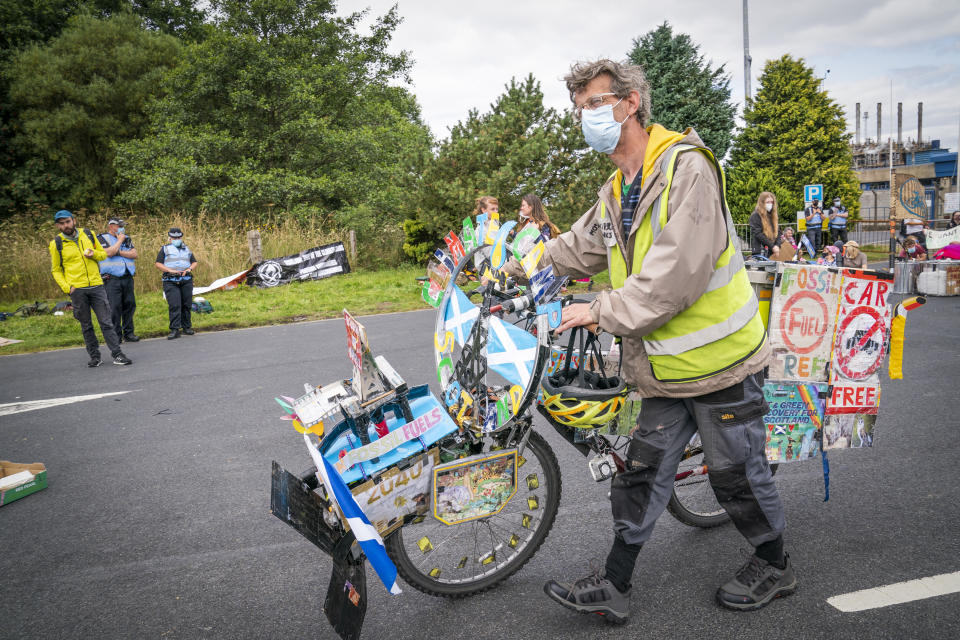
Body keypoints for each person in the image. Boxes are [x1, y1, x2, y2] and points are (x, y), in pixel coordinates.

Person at [536, 59, 790, 622]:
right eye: (580, 110)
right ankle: (615, 585)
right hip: (665, 369)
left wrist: (598, 310)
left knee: (736, 477)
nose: (587, 118)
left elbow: (674, 277)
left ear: (630, 104)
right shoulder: (616, 189)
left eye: (596, 105)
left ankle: (775, 564)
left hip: (721, 362)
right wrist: (519, 265)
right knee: (642, 473)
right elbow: (578, 247)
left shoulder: (686, 169)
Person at [49, 210, 133, 367]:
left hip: (96, 285)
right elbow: (56, 270)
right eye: (61, 223)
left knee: (106, 322)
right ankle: (95, 357)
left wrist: (93, 253)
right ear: (57, 225)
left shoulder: (88, 234)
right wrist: (68, 287)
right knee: (86, 325)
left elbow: (102, 255)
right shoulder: (56, 244)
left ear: (74, 220)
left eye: (67, 221)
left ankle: (117, 354)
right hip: (77, 289)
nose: (65, 225)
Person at [97, 217, 139, 343]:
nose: (122, 228)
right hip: (111, 279)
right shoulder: (101, 238)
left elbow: (134, 254)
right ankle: (116, 336)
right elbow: (109, 253)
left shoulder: (127, 238)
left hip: (127, 276)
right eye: (119, 226)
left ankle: (129, 333)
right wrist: (119, 241)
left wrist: (118, 251)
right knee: (114, 307)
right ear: (111, 226)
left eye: (123, 225)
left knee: (130, 305)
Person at [155, 227, 198, 339]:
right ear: (170, 238)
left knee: (186, 304)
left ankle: (187, 327)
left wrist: (189, 270)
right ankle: (174, 329)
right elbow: (158, 264)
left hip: (186, 280)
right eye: (174, 237)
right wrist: (170, 270)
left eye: (178, 237)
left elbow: (194, 262)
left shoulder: (187, 249)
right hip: (170, 281)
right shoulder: (165, 249)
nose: (177, 239)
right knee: (175, 305)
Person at [748, 192, 779, 257]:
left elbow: (778, 232)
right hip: (760, 250)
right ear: (762, 203)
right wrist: (772, 246)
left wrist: (777, 245)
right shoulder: (755, 216)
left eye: (772, 202)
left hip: (771, 251)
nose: (770, 204)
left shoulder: (772, 215)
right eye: (768, 202)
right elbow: (758, 234)